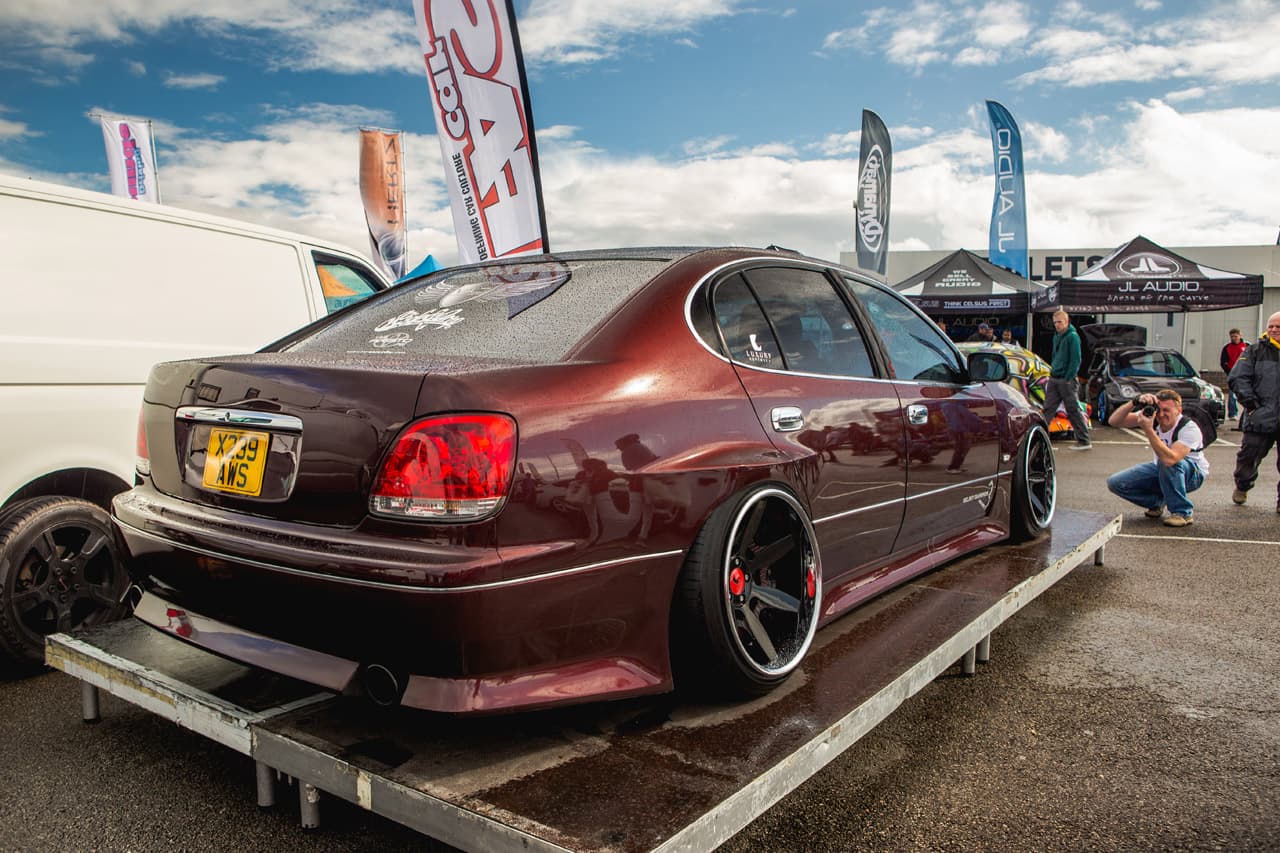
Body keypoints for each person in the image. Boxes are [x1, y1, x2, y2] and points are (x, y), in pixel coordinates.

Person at [1106, 389, 1209, 527]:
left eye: (1166, 410)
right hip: (1162, 469)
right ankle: (1157, 502)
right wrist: (1134, 402)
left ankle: (1182, 512)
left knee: (1166, 462)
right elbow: (1114, 421)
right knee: (1115, 483)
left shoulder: (1189, 428)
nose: (1161, 414)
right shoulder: (1153, 417)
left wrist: (1148, 430)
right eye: (1158, 410)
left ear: (1178, 411)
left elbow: (1171, 459)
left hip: (1192, 475)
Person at [1227, 311, 1280, 512]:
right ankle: (1243, 485)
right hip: (1260, 418)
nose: (1273, 330)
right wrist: (1252, 405)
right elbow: (1237, 378)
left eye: (1278, 327)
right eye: (1271, 326)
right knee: (1248, 457)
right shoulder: (1254, 351)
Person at [1044, 309, 1091, 450]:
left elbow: (1076, 359)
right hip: (1055, 377)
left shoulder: (1073, 337)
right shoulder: (1057, 336)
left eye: (1059, 322)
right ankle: (1042, 439)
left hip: (1066, 379)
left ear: (1067, 321)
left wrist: (1068, 377)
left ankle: (1084, 440)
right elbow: (1055, 355)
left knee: (1073, 410)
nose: (1057, 325)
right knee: (1048, 409)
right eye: (1055, 323)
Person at [1219, 328, 1248, 428]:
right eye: (1232, 337)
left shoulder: (1246, 346)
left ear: (1240, 335)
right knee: (1232, 394)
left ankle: (1247, 412)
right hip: (1233, 374)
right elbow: (1223, 362)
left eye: (1236, 336)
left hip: (1245, 374)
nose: (1234, 338)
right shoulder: (1227, 348)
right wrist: (1230, 372)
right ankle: (1232, 414)